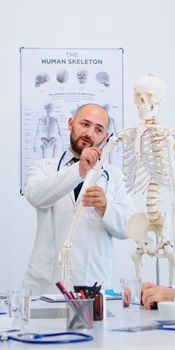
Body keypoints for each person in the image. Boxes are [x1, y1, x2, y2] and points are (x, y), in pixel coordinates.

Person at [22, 103, 135, 295]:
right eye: (85, 124)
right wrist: (79, 170)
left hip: (93, 283)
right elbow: (36, 196)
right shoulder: (43, 168)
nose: (90, 133)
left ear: (105, 137)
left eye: (98, 129)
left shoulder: (113, 175)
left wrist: (106, 207)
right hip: (46, 285)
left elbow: (128, 227)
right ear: (70, 124)